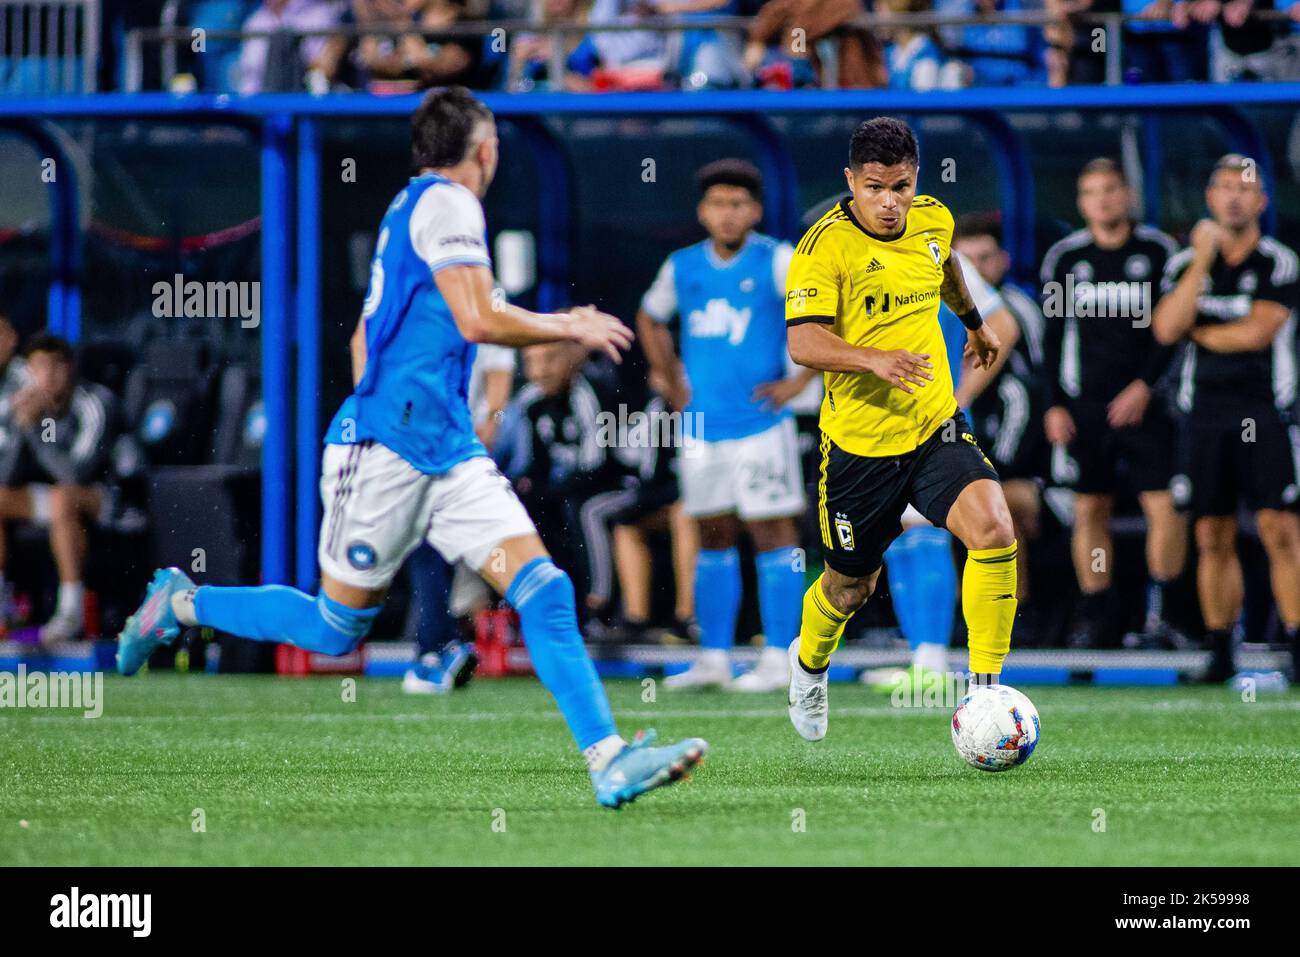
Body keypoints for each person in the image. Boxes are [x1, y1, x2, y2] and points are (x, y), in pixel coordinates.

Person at [115, 86, 707, 809]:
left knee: (544, 589)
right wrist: (568, 323)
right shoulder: (448, 203)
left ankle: (609, 759)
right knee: (335, 628)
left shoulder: (410, 211)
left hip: (446, 449)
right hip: (389, 450)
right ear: (483, 148)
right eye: (492, 142)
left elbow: (369, 339)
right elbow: (477, 316)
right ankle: (182, 603)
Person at [783, 116, 1016, 741]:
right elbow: (803, 341)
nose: (890, 202)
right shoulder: (822, 247)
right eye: (875, 187)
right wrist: (873, 359)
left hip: (934, 427)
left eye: (902, 187)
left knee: (993, 528)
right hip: (859, 445)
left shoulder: (935, 219)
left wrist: (973, 323)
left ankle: (985, 699)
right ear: (851, 181)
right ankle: (808, 664)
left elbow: (945, 268)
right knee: (848, 587)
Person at [637, 158, 817, 692]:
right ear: (703, 211)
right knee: (712, 533)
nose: (727, 213)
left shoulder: (778, 259)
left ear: (755, 210)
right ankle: (714, 656)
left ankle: (781, 656)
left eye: (738, 203)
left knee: (773, 531)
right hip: (701, 426)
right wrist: (669, 378)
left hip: (763, 423)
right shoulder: (682, 266)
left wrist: (800, 380)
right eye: (717, 203)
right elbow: (650, 316)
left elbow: (824, 313)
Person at [1153, 153, 1300, 682]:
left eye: (1245, 188)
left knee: (1278, 528)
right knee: (1211, 533)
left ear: (1260, 201)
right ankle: (1220, 650)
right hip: (1203, 415)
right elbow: (1167, 328)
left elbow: (1257, 332)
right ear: (1211, 199)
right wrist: (1201, 260)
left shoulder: (1278, 262)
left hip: (1265, 411)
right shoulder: (1183, 263)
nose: (1234, 197)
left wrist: (1202, 331)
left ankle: (1296, 645)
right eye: (1223, 188)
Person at [1040, 158, 1187, 649]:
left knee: (1163, 506)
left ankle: (1161, 615)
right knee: (1090, 508)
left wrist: (1146, 386)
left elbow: (1173, 331)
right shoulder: (1066, 259)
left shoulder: (1159, 252)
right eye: (1091, 192)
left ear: (1127, 195)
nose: (1102, 200)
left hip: (1150, 405)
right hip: (1086, 406)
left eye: (1110, 189)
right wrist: (1054, 404)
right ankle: (1097, 615)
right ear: (1082, 203)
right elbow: (1052, 338)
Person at [953, 214, 1047, 611]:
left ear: (1003, 261)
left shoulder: (1017, 310)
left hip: (1037, 473)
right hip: (960, 445)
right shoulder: (940, 306)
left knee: (997, 503)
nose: (975, 271)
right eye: (966, 261)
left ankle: (1015, 612)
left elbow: (1038, 391)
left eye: (984, 259)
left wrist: (958, 401)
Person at [0, 334, 118, 643]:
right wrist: (20, 426)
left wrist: (35, 430)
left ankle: (71, 611)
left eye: (57, 365)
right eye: (40, 366)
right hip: (51, 500)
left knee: (62, 498)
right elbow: (6, 478)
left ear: (71, 367)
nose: (49, 374)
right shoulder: (22, 405)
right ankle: (2, 606)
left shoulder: (94, 403)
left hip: (102, 501)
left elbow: (74, 475)